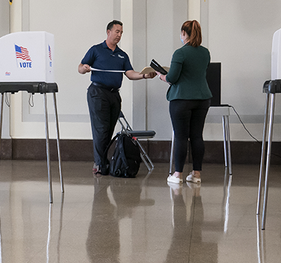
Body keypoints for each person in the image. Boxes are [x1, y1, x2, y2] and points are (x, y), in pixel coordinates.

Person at [78, 20, 155, 176]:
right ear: (108, 32)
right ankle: (100, 165)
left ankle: (103, 161)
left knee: (108, 130)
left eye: (121, 32)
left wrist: (144, 75)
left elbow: (130, 73)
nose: (119, 35)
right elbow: (80, 67)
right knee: (100, 130)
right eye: (117, 31)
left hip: (114, 94)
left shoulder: (122, 55)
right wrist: (84, 68)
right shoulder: (96, 50)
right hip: (98, 93)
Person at [160, 19, 211, 185]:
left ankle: (178, 174)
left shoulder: (180, 53)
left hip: (181, 99)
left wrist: (162, 76)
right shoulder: (205, 53)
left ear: (184, 34)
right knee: (197, 136)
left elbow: (172, 78)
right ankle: (196, 174)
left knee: (181, 137)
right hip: (203, 99)